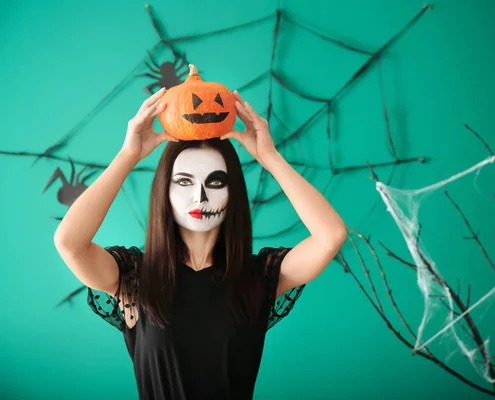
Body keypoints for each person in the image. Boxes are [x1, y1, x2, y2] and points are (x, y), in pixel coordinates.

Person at [53, 87, 347, 399]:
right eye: (184, 182)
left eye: (216, 182)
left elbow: (331, 236)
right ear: (164, 191)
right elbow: (70, 243)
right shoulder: (135, 277)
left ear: (232, 192)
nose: (200, 197)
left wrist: (269, 158)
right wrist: (129, 156)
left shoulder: (258, 276)